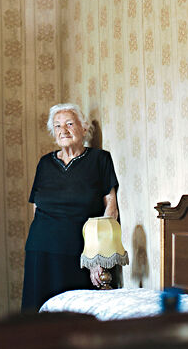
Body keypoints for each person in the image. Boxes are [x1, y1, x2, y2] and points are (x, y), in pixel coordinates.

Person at [21, 103, 120, 312]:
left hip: (80, 251)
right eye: (57, 126)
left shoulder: (99, 159)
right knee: (37, 316)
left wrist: (98, 256)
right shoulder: (45, 163)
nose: (62, 130)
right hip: (41, 248)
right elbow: (37, 207)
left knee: (74, 316)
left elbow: (111, 209)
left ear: (84, 129)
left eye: (69, 123)